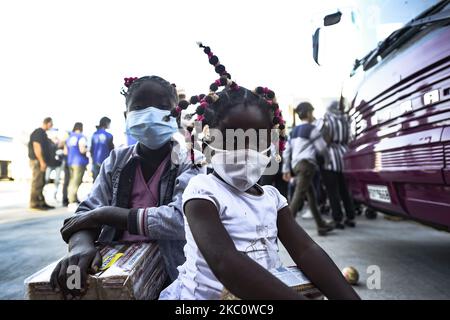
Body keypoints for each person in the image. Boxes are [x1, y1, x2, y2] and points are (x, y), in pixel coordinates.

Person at [159, 43, 359, 300]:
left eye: (257, 141)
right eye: (233, 140)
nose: (246, 151)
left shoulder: (273, 199)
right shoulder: (202, 192)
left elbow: (306, 250)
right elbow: (225, 263)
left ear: (271, 145)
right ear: (208, 141)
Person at [51, 75, 205, 299]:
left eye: (161, 107)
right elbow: (85, 213)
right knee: (72, 285)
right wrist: (80, 246)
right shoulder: (116, 161)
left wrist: (108, 214)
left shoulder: (191, 160)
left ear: (176, 114)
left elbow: (183, 220)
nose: (151, 114)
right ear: (127, 116)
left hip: (174, 276)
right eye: (141, 107)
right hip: (117, 268)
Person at [282, 102, 334, 236]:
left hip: (296, 165)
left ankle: (321, 225)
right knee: (298, 195)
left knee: (310, 196)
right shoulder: (311, 129)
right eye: (312, 112)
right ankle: (285, 226)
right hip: (307, 165)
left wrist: (286, 169)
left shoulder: (293, 131)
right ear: (309, 113)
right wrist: (328, 161)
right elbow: (322, 148)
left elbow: (287, 151)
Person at [321, 100, 356, 229]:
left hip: (330, 156)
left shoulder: (327, 118)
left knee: (332, 190)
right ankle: (350, 216)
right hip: (344, 154)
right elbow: (350, 138)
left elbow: (324, 138)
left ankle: (338, 219)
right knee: (345, 189)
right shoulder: (346, 119)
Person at [28, 117, 55, 210]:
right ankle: (34, 203)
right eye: (51, 123)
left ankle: (41, 202)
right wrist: (42, 161)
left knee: (42, 182)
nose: (52, 125)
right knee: (37, 183)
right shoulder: (39, 132)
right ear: (47, 123)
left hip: (40, 161)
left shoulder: (43, 134)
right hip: (37, 161)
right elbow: (37, 147)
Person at [65, 122, 89, 206]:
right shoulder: (81, 137)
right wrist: (88, 150)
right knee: (76, 182)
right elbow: (82, 149)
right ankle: (72, 201)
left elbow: (66, 151)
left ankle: (71, 198)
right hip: (79, 162)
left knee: (71, 181)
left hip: (70, 161)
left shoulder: (69, 137)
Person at [91, 117, 114, 181]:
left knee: (95, 181)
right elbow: (111, 150)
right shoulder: (109, 135)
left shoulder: (94, 134)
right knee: (105, 181)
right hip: (105, 161)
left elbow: (91, 149)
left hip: (95, 161)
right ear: (106, 123)